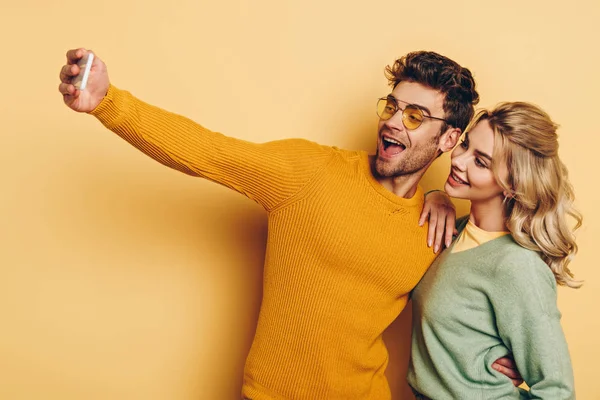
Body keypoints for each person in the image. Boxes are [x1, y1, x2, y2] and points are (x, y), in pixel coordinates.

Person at [58, 48, 519, 399]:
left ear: (449, 138)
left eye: (416, 115)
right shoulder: (309, 172)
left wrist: (498, 355)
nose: (394, 122)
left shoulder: (439, 228)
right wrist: (108, 102)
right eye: (392, 106)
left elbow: (472, 297)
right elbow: (207, 152)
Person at [408, 102, 580, 399]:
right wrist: (435, 196)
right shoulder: (454, 230)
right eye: (465, 145)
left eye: (481, 162)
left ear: (513, 185)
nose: (459, 161)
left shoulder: (516, 264)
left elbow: (558, 391)